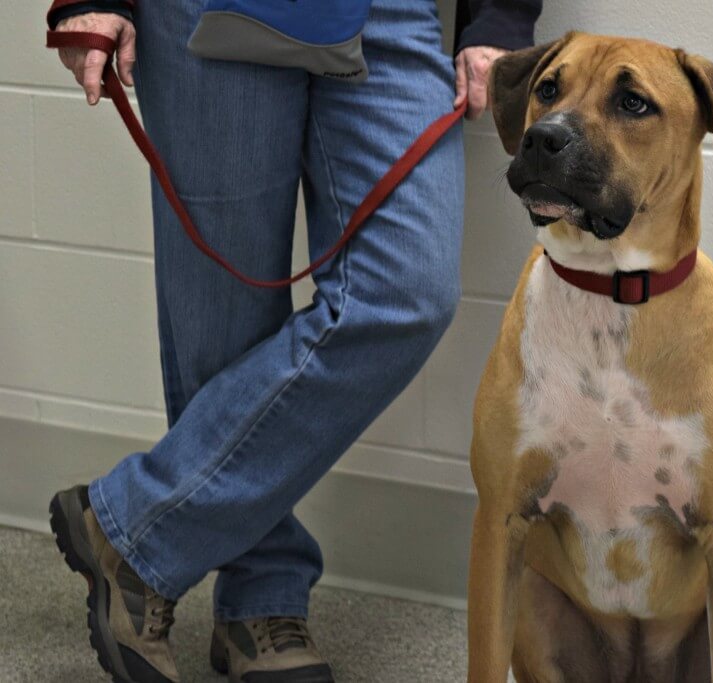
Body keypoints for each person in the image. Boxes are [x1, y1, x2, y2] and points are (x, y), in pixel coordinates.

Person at [45, 1, 542, 681]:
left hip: (390, 14)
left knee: (406, 293)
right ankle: (261, 596)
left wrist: (501, 17)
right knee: (224, 321)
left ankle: (133, 526)